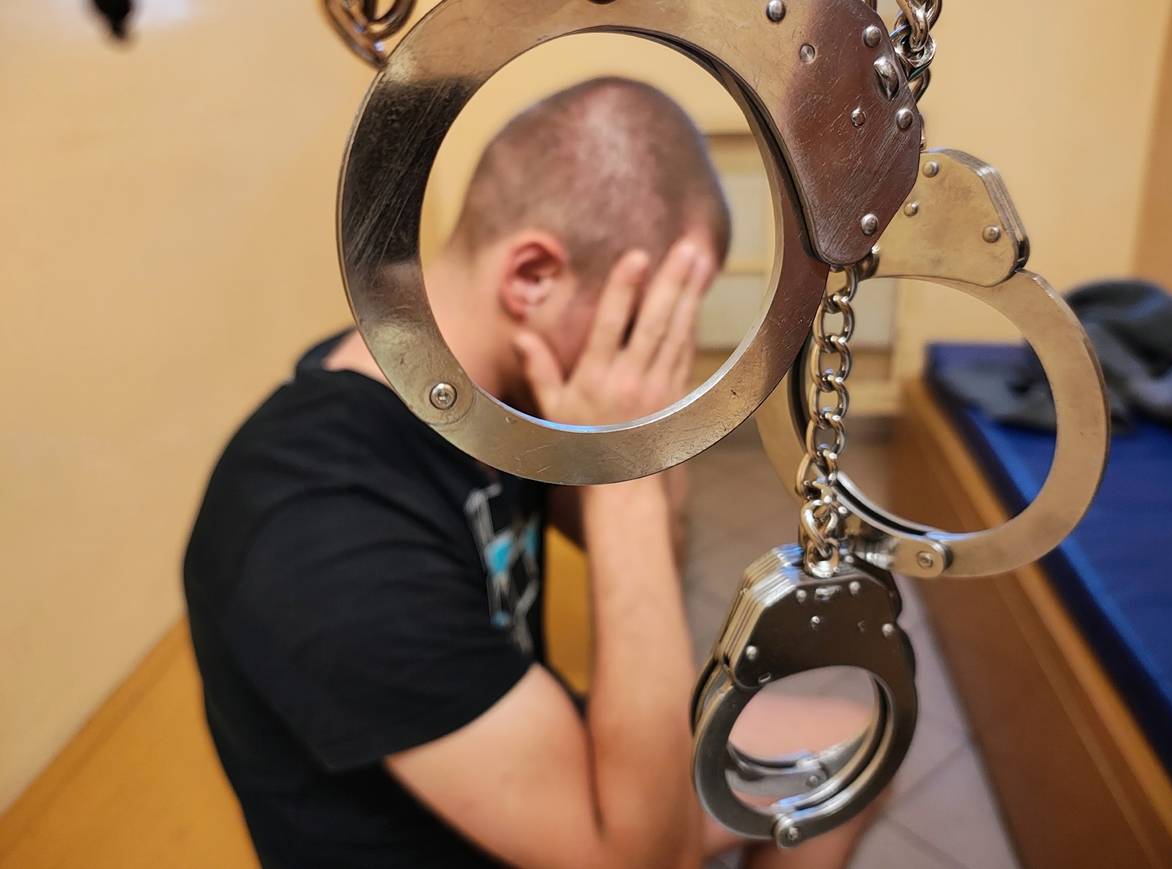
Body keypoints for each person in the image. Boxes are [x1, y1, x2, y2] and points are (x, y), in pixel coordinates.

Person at [185, 77, 869, 869]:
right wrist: (622, 474)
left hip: (507, 737)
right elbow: (647, 861)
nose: (652, 362)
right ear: (532, 277)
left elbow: (664, 555)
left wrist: (642, 431)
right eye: (643, 322)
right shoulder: (320, 525)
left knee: (848, 755)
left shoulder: (487, 399)